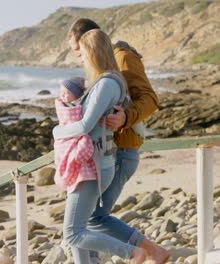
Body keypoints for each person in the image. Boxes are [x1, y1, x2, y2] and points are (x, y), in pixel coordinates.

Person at [67, 19, 168, 263]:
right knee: (86, 221)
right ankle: (150, 251)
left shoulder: (122, 57)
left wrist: (126, 117)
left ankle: (149, 251)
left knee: (89, 221)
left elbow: (150, 98)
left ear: (88, 41)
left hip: (121, 150)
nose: (78, 57)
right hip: (109, 151)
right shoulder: (102, 66)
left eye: (78, 50)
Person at [53, 29, 147, 264]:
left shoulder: (106, 84)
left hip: (93, 167)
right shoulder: (105, 82)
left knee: (73, 233)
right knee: (82, 229)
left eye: (83, 52)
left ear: (93, 52)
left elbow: (85, 125)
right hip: (94, 164)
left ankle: (133, 252)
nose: (80, 58)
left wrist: (57, 132)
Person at [53, 77, 97, 192]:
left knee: (73, 152)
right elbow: (63, 120)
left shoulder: (81, 107)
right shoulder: (62, 105)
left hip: (75, 134)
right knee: (61, 150)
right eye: (61, 92)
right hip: (64, 134)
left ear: (76, 95)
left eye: (67, 93)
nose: (63, 95)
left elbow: (82, 123)